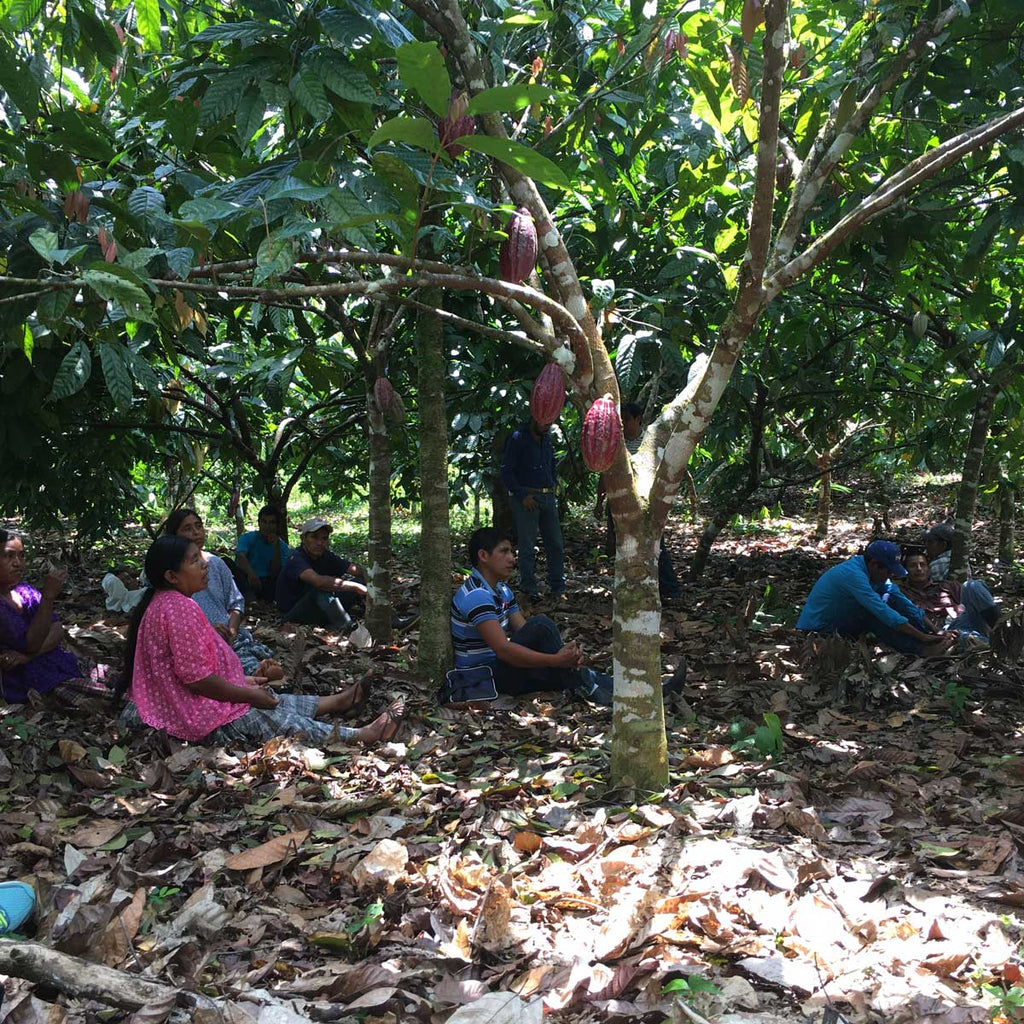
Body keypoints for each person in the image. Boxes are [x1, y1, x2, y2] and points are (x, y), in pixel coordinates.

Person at [118, 536, 404, 747]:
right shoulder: (178, 608)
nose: (205, 565)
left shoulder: (167, 602)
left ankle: (340, 701)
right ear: (171, 575)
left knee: (271, 700)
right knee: (264, 715)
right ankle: (361, 736)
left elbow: (189, 672)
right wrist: (245, 692)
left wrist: (244, 681)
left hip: (178, 701)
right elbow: (196, 680)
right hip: (185, 712)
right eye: (194, 561)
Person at [451, 527, 618, 704]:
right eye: (504, 552)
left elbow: (526, 633)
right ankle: (585, 684)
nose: (512, 559)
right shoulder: (476, 595)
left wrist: (563, 657)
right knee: (541, 625)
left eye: (512, 552)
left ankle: (607, 687)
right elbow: (504, 649)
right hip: (482, 678)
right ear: (483, 556)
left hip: (500, 669)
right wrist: (556, 660)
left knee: (570, 670)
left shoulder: (502, 590)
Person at [159, 510, 281, 678]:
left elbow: (236, 602)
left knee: (248, 656)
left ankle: (255, 672)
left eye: (198, 526)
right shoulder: (171, 573)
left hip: (227, 634)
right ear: (174, 536)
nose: (196, 532)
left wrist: (231, 630)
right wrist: (207, 633)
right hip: (194, 641)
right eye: (187, 528)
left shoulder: (215, 563)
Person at [0, 529, 115, 705]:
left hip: (57, 661)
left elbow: (56, 629)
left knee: (119, 678)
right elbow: (31, 643)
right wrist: (48, 597)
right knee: (108, 699)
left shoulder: (24, 591)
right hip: (30, 680)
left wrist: (28, 656)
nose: (18, 563)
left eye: (22, 556)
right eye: (9, 556)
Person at [795, 539, 955, 656]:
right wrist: (922, 637)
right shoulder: (853, 575)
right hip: (819, 629)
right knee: (871, 614)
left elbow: (904, 603)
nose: (890, 575)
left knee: (892, 598)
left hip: (841, 620)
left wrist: (934, 631)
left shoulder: (876, 574)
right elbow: (882, 611)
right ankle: (921, 649)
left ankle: (931, 642)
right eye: (888, 571)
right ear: (874, 564)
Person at [594, 402, 681, 601]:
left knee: (655, 545)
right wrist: (599, 502)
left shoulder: (649, 442)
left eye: (627, 419)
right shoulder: (617, 444)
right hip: (618, 503)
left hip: (645, 503)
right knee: (623, 547)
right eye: (620, 420)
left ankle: (669, 588)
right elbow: (605, 474)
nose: (623, 424)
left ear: (638, 419)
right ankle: (632, 587)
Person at [500, 415, 565, 602]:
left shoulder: (546, 439)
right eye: (544, 422)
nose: (547, 426)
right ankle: (529, 586)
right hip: (527, 497)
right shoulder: (518, 438)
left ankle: (557, 586)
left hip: (547, 495)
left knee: (555, 543)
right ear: (534, 419)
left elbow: (550, 465)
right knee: (527, 545)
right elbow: (506, 472)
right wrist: (522, 496)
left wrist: (553, 487)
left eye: (549, 423)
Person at [276, 519, 367, 630]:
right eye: (314, 537)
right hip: (294, 614)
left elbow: (355, 569)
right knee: (321, 589)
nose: (319, 543)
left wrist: (369, 576)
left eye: (324, 538)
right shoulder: (296, 558)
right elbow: (318, 582)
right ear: (303, 539)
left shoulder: (325, 556)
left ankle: (386, 618)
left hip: (318, 609)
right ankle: (347, 627)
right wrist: (356, 587)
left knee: (360, 581)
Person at [898, 551, 998, 647]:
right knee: (964, 637)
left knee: (972, 585)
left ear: (929, 568)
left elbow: (972, 602)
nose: (919, 569)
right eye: (913, 566)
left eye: (922, 564)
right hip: (940, 633)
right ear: (905, 570)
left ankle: (1002, 631)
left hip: (966, 620)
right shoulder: (900, 593)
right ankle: (995, 649)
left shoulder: (946, 586)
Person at [233, 506, 290, 602]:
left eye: (272, 523)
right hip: (247, 579)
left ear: (276, 525)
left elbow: (276, 572)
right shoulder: (247, 538)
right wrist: (251, 574)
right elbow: (240, 557)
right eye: (264, 522)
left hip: (267, 583)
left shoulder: (282, 546)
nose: (267, 526)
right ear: (259, 522)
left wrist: (276, 547)